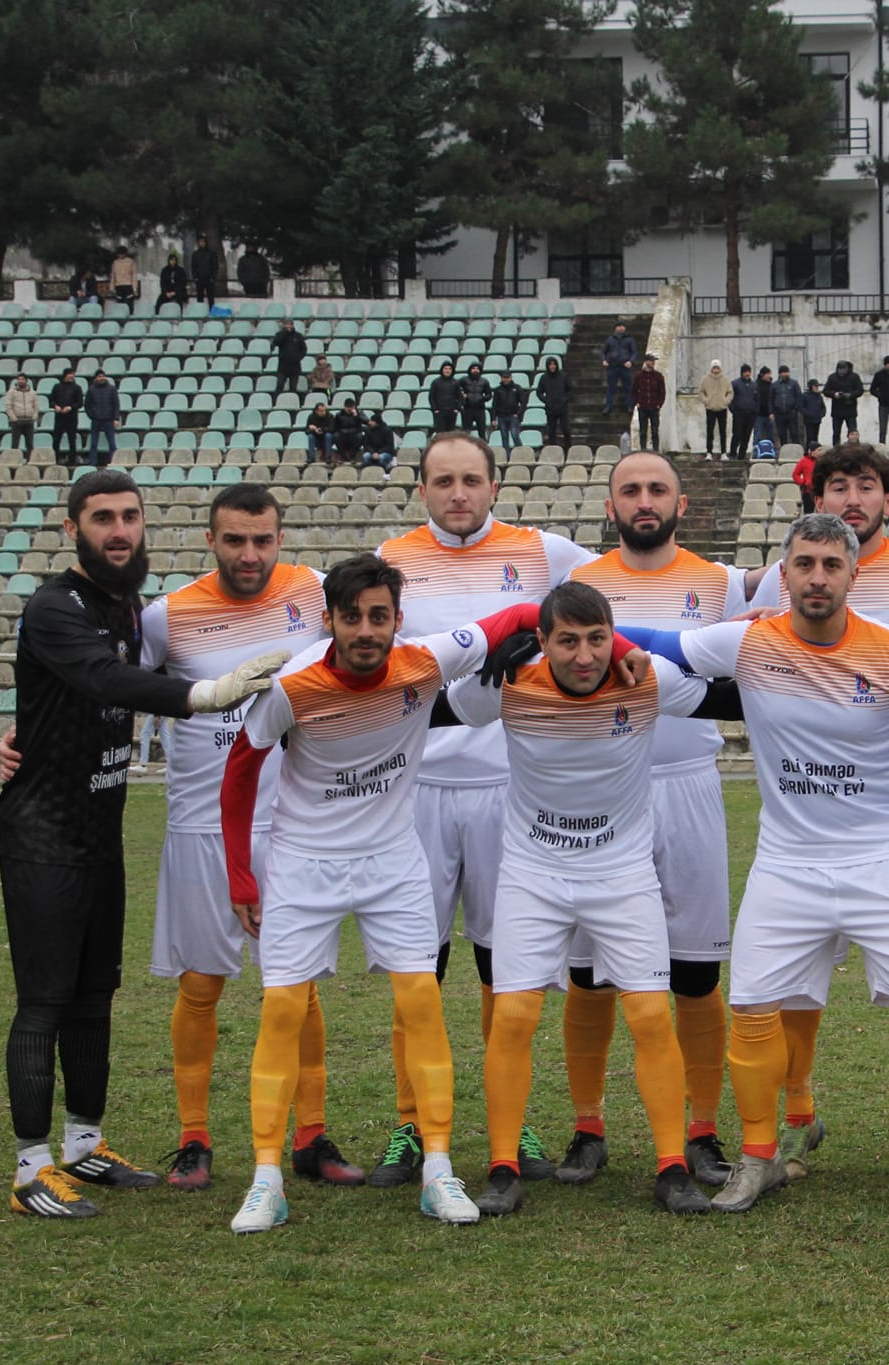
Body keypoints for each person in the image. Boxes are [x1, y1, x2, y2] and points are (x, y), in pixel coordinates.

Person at [618, 512, 889, 1219]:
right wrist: (549, 625)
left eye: (831, 565)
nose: (817, 578)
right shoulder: (749, 641)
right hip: (787, 864)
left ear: (853, 574)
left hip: (884, 862)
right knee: (752, 1008)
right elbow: (653, 640)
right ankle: (758, 1158)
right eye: (804, 564)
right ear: (783, 575)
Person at [216, 554, 553, 1231]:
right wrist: (241, 876)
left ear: (399, 619)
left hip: (393, 861)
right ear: (330, 620)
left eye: (379, 616)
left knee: (421, 1001)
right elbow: (240, 769)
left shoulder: (425, 659)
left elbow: (524, 613)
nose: (366, 631)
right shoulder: (292, 684)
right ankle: (265, 1179)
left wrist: (544, 639)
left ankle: (437, 1169)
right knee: (281, 1010)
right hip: (304, 862)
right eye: (352, 617)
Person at [0, 469, 289, 1218]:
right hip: (43, 832)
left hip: (101, 830)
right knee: (43, 1001)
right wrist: (207, 694)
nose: (119, 530)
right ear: (73, 529)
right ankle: (31, 1169)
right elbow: (104, 679)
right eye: (103, 518)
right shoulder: (54, 606)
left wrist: (25, 728)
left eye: (130, 516)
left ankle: (84, 1144)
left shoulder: (124, 606)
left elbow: (64, 695)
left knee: (95, 994)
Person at [445, 581, 715, 1217]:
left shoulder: (644, 677)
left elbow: (724, 689)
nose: (586, 656)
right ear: (542, 640)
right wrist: (488, 659)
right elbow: (432, 706)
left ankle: (673, 1168)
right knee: (514, 1017)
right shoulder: (509, 681)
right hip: (533, 874)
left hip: (622, 874)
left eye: (598, 639)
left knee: (650, 1017)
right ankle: (503, 1167)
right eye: (568, 641)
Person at [747, 444, 889, 1184]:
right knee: (792, 981)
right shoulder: (788, 577)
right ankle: (798, 1114)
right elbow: (753, 655)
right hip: (810, 809)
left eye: (866, 485)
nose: (852, 496)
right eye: (837, 485)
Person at [370, 434, 596, 1187]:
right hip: (416, 790)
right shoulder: (390, 559)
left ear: (495, 485)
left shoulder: (545, 552)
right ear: (422, 490)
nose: (458, 493)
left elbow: (619, 595)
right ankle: (412, 1123)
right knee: (419, 968)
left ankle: (512, 1121)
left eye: (471, 479)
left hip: (511, 789)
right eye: (443, 481)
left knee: (510, 968)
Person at [565, 453, 755, 1189]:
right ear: (609, 505)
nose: (644, 501)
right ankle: (587, 1127)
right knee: (590, 974)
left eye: (657, 490)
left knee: (696, 971)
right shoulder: (581, 583)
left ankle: (701, 1130)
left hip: (688, 787)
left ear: (682, 503)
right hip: (601, 790)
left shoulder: (719, 583)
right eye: (630, 490)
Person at [84, 370, 122, 467]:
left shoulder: (111, 389)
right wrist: (91, 415)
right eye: (99, 376)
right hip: (96, 419)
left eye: (103, 376)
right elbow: (87, 405)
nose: (101, 378)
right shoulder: (91, 389)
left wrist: (116, 418)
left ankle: (113, 462)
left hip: (108, 419)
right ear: (96, 378)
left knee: (112, 442)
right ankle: (92, 463)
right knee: (93, 443)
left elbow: (116, 404)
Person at [629, 354, 666, 451]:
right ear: (646, 362)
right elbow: (633, 391)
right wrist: (637, 402)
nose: (653, 363)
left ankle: (656, 450)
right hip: (643, 407)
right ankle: (643, 449)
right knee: (643, 431)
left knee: (655, 431)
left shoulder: (658, 376)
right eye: (651, 361)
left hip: (654, 407)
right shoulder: (639, 376)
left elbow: (662, 392)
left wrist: (659, 404)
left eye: (653, 361)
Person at [48, 367, 83, 468]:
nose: (71, 376)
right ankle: (55, 459)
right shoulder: (57, 387)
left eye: (72, 374)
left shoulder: (77, 388)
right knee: (56, 440)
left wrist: (70, 407)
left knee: (72, 440)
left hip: (72, 417)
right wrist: (55, 406)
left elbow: (80, 403)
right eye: (70, 374)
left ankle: (72, 461)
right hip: (59, 417)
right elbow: (51, 400)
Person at [824, 360, 863, 443]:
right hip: (837, 410)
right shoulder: (832, 377)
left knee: (853, 432)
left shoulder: (854, 377)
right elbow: (826, 391)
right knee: (836, 432)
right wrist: (834, 394)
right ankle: (836, 448)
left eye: (844, 369)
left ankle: (855, 448)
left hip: (850, 409)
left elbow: (860, 390)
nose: (842, 372)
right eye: (840, 370)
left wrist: (850, 395)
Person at [601, 322, 638, 411]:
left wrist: (630, 361)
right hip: (612, 366)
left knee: (628, 387)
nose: (621, 328)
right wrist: (604, 360)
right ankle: (608, 406)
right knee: (611, 387)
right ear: (615, 328)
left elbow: (634, 352)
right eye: (619, 326)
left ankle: (630, 406)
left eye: (622, 326)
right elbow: (603, 351)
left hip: (625, 366)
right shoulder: (610, 339)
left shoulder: (629, 339)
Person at [536, 358, 572, 448]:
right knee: (551, 432)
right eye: (550, 364)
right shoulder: (544, 377)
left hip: (562, 408)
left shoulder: (564, 376)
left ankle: (568, 449)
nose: (552, 366)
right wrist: (546, 400)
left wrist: (565, 400)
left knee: (566, 430)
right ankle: (552, 450)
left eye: (554, 364)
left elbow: (570, 390)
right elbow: (539, 392)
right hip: (550, 409)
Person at [699, 360, 732, 457]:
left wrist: (726, 401)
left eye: (717, 368)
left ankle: (723, 452)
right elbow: (701, 392)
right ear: (711, 368)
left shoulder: (725, 379)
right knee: (710, 431)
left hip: (722, 408)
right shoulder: (705, 379)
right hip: (710, 409)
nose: (716, 370)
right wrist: (706, 401)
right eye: (714, 368)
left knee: (723, 432)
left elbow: (730, 392)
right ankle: (709, 452)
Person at [4, 375, 40, 457]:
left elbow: (36, 406)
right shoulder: (11, 392)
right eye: (19, 379)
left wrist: (34, 417)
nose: (20, 381)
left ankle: (29, 460)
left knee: (30, 444)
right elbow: (8, 406)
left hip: (29, 421)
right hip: (17, 421)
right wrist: (14, 419)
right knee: (15, 444)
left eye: (22, 379)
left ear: (26, 380)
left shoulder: (32, 393)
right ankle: (14, 460)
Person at [491, 372, 528, 450]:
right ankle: (507, 455)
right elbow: (494, 405)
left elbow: (523, 403)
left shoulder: (517, 388)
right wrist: (493, 418)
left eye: (507, 377)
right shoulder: (498, 390)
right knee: (504, 438)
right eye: (504, 377)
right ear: (501, 378)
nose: (506, 379)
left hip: (513, 416)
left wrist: (518, 414)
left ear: (511, 378)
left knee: (515, 435)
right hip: (501, 416)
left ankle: (521, 452)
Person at [728, 364, 757, 459]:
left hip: (750, 415)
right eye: (745, 372)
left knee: (746, 435)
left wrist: (755, 410)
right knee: (737, 434)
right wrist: (733, 410)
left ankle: (742, 455)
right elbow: (729, 398)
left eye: (749, 372)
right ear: (742, 373)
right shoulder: (735, 384)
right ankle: (733, 453)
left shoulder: (754, 385)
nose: (747, 374)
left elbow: (757, 399)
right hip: (739, 414)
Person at [270, 320, 307, 397]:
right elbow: (275, 342)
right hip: (283, 366)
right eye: (287, 324)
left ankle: (292, 401)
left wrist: (298, 357)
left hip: (295, 366)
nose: (289, 326)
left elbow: (304, 349)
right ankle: (276, 401)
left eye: (290, 324)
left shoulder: (298, 336)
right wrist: (284, 332)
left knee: (293, 387)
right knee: (280, 385)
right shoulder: (280, 334)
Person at [458, 363, 492, 441]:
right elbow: (455, 387)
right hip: (467, 408)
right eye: (473, 368)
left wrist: (482, 398)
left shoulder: (484, 381)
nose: (475, 370)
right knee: (466, 432)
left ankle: (483, 447)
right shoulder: (464, 380)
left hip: (480, 409)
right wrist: (461, 395)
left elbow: (489, 395)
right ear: (470, 370)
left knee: (482, 431)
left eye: (477, 369)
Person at [771, 364, 803, 448]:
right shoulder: (774, 385)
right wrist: (772, 412)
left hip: (791, 413)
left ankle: (796, 450)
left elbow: (799, 397)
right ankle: (784, 451)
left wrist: (795, 409)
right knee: (782, 434)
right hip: (779, 414)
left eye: (786, 372)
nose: (785, 374)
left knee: (794, 433)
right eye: (783, 372)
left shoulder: (794, 383)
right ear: (780, 374)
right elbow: (771, 399)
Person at [330, 399, 364, 468]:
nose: (349, 409)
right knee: (336, 436)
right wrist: (342, 432)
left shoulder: (358, 414)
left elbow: (360, 427)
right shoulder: (339, 415)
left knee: (360, 436)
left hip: (354, 436)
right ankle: (342, 457)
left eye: (351, 407)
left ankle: (352, 457)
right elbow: (335, 428)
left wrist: (356, 416)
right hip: (343, 436)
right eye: (347, 407)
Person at [429, 361, 461, 434]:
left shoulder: (456, 382)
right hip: (440, 412)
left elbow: (460, 397)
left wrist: (457, 408)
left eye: (449, 369)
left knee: (450, 433)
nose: (447, 371)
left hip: (452, 412)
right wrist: (435, 409)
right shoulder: (436, 382)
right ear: (442, 370)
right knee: (441, 433)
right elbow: (431, 397)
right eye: (445, 369)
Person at [190, 234, 221, 304]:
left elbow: (215, 266)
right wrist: (195, 277)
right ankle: (200, 310)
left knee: (211, 298)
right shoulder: (195, 254)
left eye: (203, 241)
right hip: (199, 279)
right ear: (198, 243)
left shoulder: (212, 253)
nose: (202, 243)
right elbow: (193, 266)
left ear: (206, 242)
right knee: (199, 298)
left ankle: (211, 310)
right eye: (200, 242)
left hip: (209, 279)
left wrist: (213, 277)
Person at [752, 366, 777, 449]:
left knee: (771, 435)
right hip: (758, 414)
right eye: (767, 374)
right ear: (762, 375)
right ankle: (756, 451)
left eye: (769, 374)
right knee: (757, 435)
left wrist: (773, 412)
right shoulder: (756, 385)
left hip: (770, 414)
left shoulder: (772, 385)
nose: (769, 376)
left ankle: (771, 451)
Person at [108, 247, 137, 315]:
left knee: (129, 303)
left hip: (128, 285)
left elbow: (134, 275)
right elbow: (113, 275)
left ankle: (130, 316)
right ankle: (121, 317)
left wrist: (134, 287)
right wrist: (112, 287)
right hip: (119, 286)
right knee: (120, 303)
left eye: (122, 254)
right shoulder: (115, 262)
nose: (120, 255)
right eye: (119, 254)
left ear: (125, 254)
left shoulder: (130, 262)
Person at [303, 401, 332, 466]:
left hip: (327, 438)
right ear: (316, 411)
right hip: (316, 438)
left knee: (328, 435)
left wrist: (322, 430)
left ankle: (328, 458)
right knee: (310, 436)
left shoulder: (330, 416)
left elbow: (332, 429)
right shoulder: (311, 417)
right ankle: (311, 458)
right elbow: (306, 431)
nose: (323, 412)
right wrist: (313, 430)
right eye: (321, 411)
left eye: (324, 410)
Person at [801, 379, 826, 455]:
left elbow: (823, 407)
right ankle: (808, 452)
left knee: (815, 437)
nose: (817, 388)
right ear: (811, 387)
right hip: (808, 420)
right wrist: (808, 414)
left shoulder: (819, 396)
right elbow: (802, 407)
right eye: (815, 386)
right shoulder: (805, 395)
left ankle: (816, 452)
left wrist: (821, 414)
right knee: (809, 437)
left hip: (817, 420)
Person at [792, 446, 818, 514]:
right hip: (808, 491)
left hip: (819, 491)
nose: (820, 452)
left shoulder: (822, 461)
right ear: (812, 451)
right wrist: (803, 483)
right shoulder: (803, 461)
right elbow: (795, 474)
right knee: (808, 513)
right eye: (818, 450)